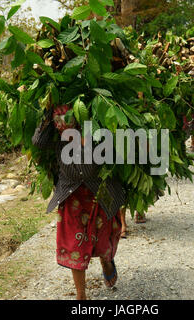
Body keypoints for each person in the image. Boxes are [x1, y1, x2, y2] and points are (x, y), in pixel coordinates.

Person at [32, 105, 126, 300]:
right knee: (74, 245)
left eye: (65, 120)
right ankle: (81, 295)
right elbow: (38, 141)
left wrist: (85, 143)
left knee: (101, 242)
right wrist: (47, 116)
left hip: (99, 192)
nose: (61, 125)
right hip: (71, 196)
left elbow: (89, 170)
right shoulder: (58, 137)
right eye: (57, 122)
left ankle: (106, 261)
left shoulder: (96, 134)